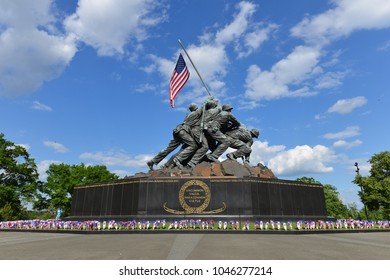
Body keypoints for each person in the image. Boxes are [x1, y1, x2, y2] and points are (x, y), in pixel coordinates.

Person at [147, 104, 199, 170]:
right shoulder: (195, 113)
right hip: (183, 132)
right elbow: (204, 109)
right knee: (194, 145)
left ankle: (152, 161)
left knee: (168, 149)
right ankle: (178, 159)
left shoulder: (189, 115)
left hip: (178, 131)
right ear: (196, 108)